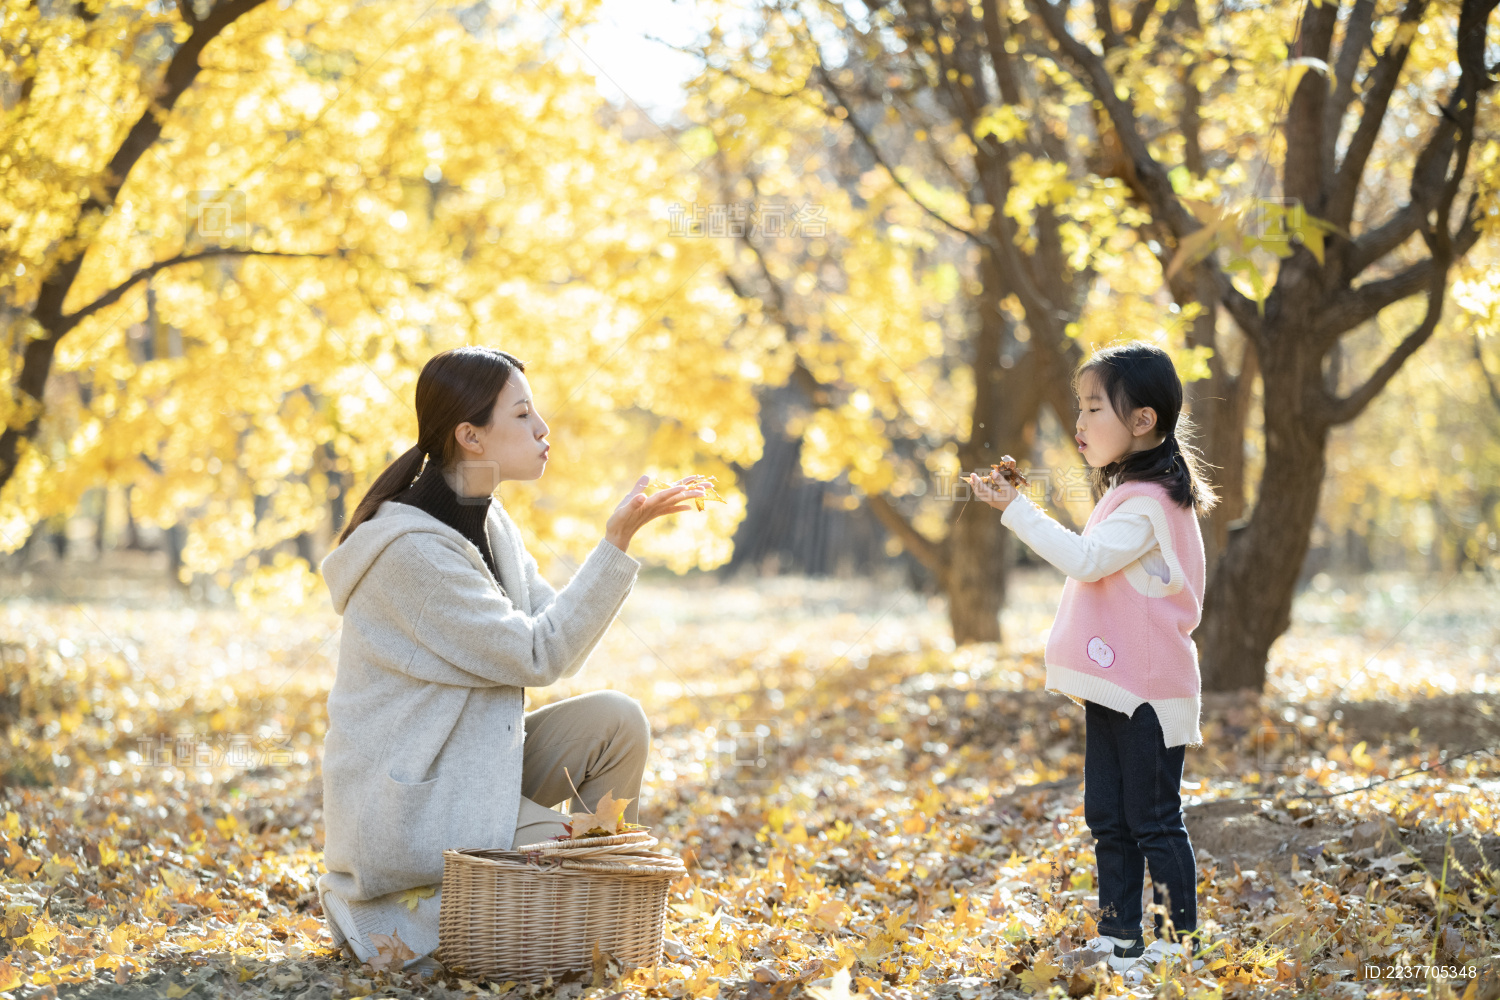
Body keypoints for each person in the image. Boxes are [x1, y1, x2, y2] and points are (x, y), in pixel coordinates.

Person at [315, 346, 707, 974]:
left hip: (474, 767)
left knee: (617, 722)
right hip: (416, 805)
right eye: (522, 415)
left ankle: (590, 915)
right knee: (583, 858)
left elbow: (552, 628)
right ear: (470, 436)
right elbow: (539, 654)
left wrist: (618, 545)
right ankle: (591, 918)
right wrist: (615, 543)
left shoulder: (491, 522)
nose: (542, 428)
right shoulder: (410, 553)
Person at [967, 340, 1217, 975]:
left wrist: (1016, 510)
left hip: (1149, 688)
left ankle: (1178, 944)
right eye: (1079, 407)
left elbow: (1085, 560)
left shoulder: (1150, 503)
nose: (1079, 422)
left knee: (1153, 819)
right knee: (1108, 815)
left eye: (1094, 408)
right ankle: (1120, 937)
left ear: (1143, 420)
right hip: (1117, 682)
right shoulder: (1130, 492)